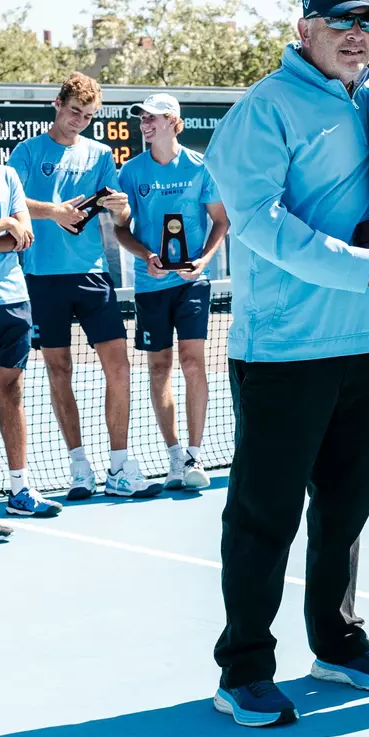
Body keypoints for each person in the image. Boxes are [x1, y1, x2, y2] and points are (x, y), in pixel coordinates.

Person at [204, 0, 369, 728]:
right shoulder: (262, 110)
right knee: (264, 516)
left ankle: (336, 640)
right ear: (305, 30)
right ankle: (244, 668)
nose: (357, 35)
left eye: (367, 23)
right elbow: (256, 222)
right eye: (340, 22)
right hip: (285, 350)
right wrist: (359, 269)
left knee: (347, 510)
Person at [7, 73, 161, 499]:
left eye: (88, 116)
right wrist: (54, 211)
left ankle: (118, 467)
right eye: (75, 111)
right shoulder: (26, 151)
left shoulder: (100, 154)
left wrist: (122, 207)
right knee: (60, 371)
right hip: (42, 278)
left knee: (120, 367)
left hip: (93, 275)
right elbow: (14, 203)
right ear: (58, 104)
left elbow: (118, 220)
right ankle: (79, 468)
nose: (79, 121)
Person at [116, 93, 230, 490]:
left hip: (192, 283)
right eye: (143, 118)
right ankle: (175, 458)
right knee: (159, 367)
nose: (145, 123)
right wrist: (146, 254)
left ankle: (196, 456)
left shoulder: (201, 167)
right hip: (150, 286)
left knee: (193, 363)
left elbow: (221, 221)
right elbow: (120, 229)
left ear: (174, 122)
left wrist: (203, 261)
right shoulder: (130, 173)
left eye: (154, 117)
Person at [0, 97, 61, 538]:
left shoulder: (7, 175)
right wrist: (2, 224)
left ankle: (19, 490)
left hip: (10, 302)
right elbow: (11, 228)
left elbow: (25, 236)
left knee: (12, 393)